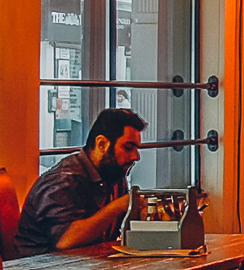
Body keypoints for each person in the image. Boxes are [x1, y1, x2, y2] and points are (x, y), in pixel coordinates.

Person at [13, 106, 147, 252]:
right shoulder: (64, 180)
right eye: (128, 147)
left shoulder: (113, 174)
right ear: (102, 144)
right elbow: (65, 240)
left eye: (137, 149)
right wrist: (118, 206)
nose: (136, 156)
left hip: (84, 267)